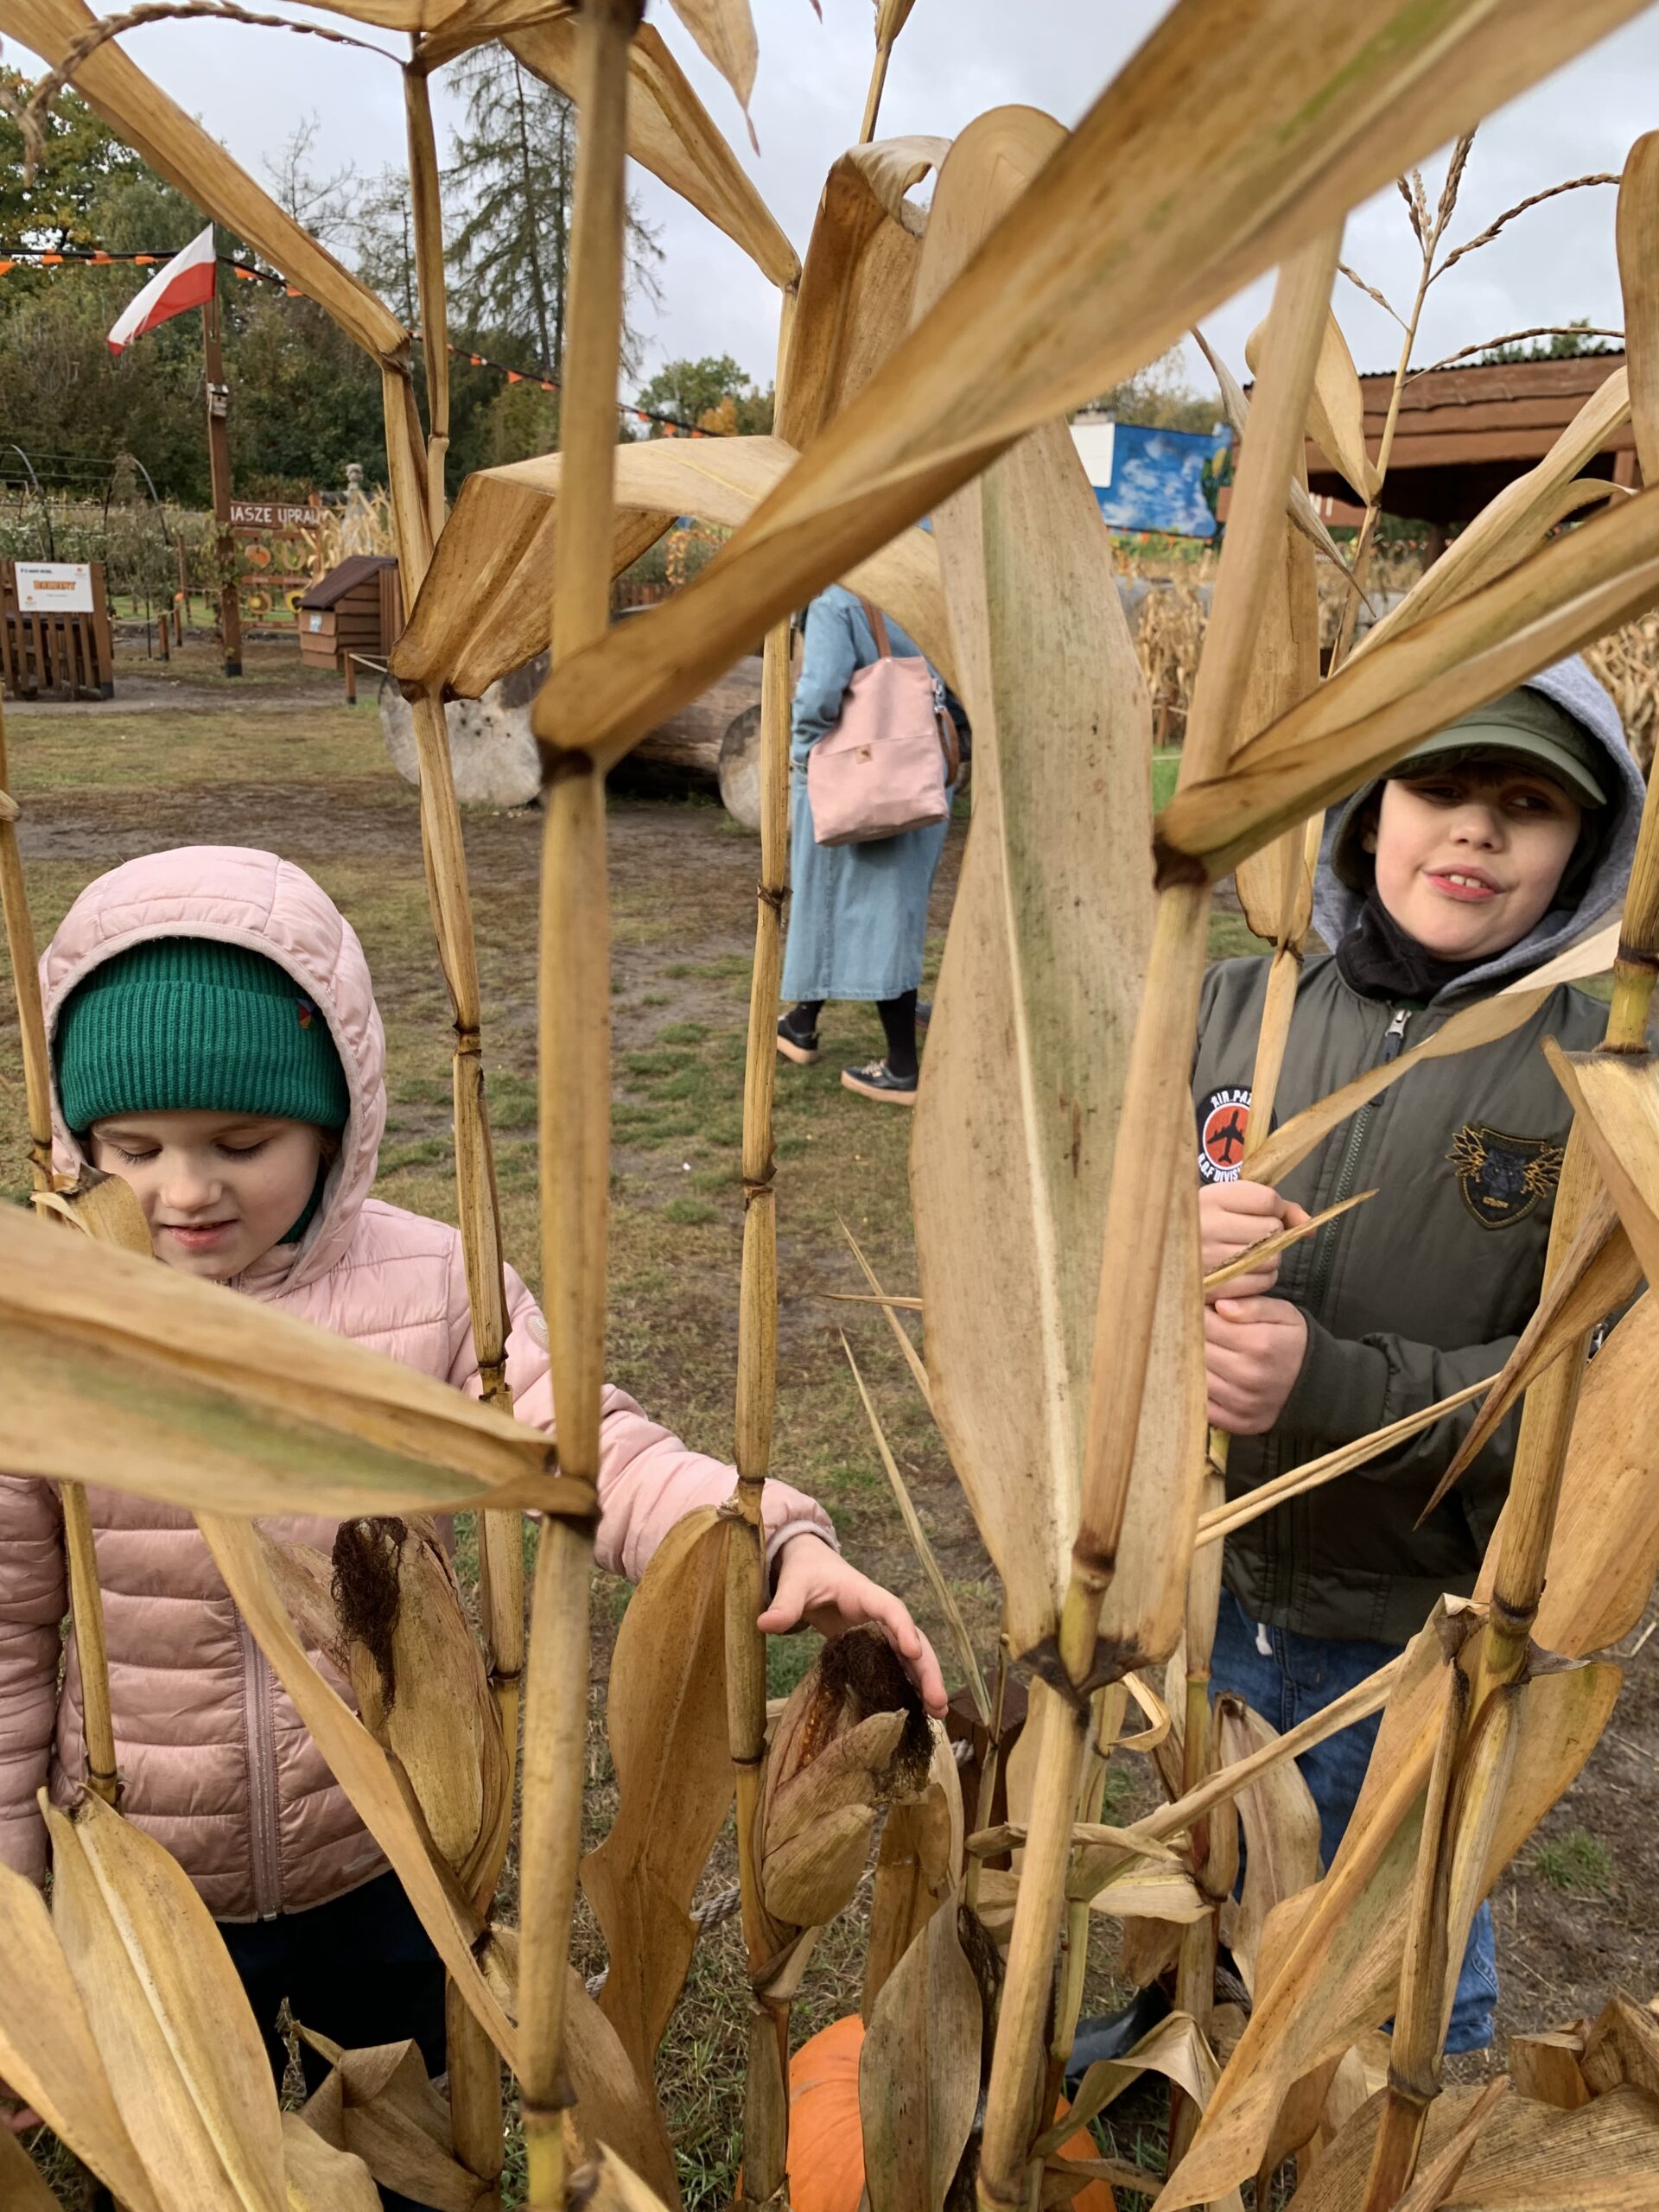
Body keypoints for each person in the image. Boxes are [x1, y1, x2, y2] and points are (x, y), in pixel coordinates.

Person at [0, 846, 946, 2198]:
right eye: (131, 1149)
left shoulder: (434, 1287)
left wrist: (766, 1537)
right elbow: (8, 1641)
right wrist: (16, 1926)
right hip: (150, 1886)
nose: (183, 1192)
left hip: (393, 1858)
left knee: (413, 2163)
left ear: (335, 1118)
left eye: (240, 1143)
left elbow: (592, 1450)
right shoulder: (46, 1332)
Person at [1192, 656, 1642, 2052]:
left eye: (1528, 804)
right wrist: (1160, 1248)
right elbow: (1067, 1255)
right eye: (1437, 786)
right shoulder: (1234, 1005)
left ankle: (1400, 2110)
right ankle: (1200, 2043)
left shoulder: (1602, 1078)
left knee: (1406, 1958)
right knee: (1212, 1880)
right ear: (1365, 809)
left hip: (1417, 1636)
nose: (1475, 831)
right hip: (1209, 1586)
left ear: (1589, 848)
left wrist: (1328, 1385)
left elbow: (1602, 1411)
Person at [777, 585, 952, 1106]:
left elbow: (817, 697)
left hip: (863, 777)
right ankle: (802, 1023)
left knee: (871, 911)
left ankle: (902, 1067)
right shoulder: (917, 587)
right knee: (853, 904)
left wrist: (802, 758)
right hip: (919, 764)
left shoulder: (836, 601)